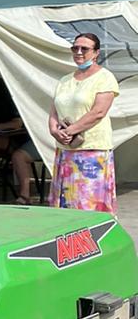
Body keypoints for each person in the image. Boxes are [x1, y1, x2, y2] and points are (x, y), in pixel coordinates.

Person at [48, 31, 120, 212]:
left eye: (84, 49)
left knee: (88, 202)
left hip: (91, 151)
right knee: (65, 202)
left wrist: (69, 131)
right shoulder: (65, 80)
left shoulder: (104, 77)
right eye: (75, 48)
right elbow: (54, 110)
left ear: (96, 53)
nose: (79, 52)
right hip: (66, 150)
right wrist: (54, 130)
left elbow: (98, 112)